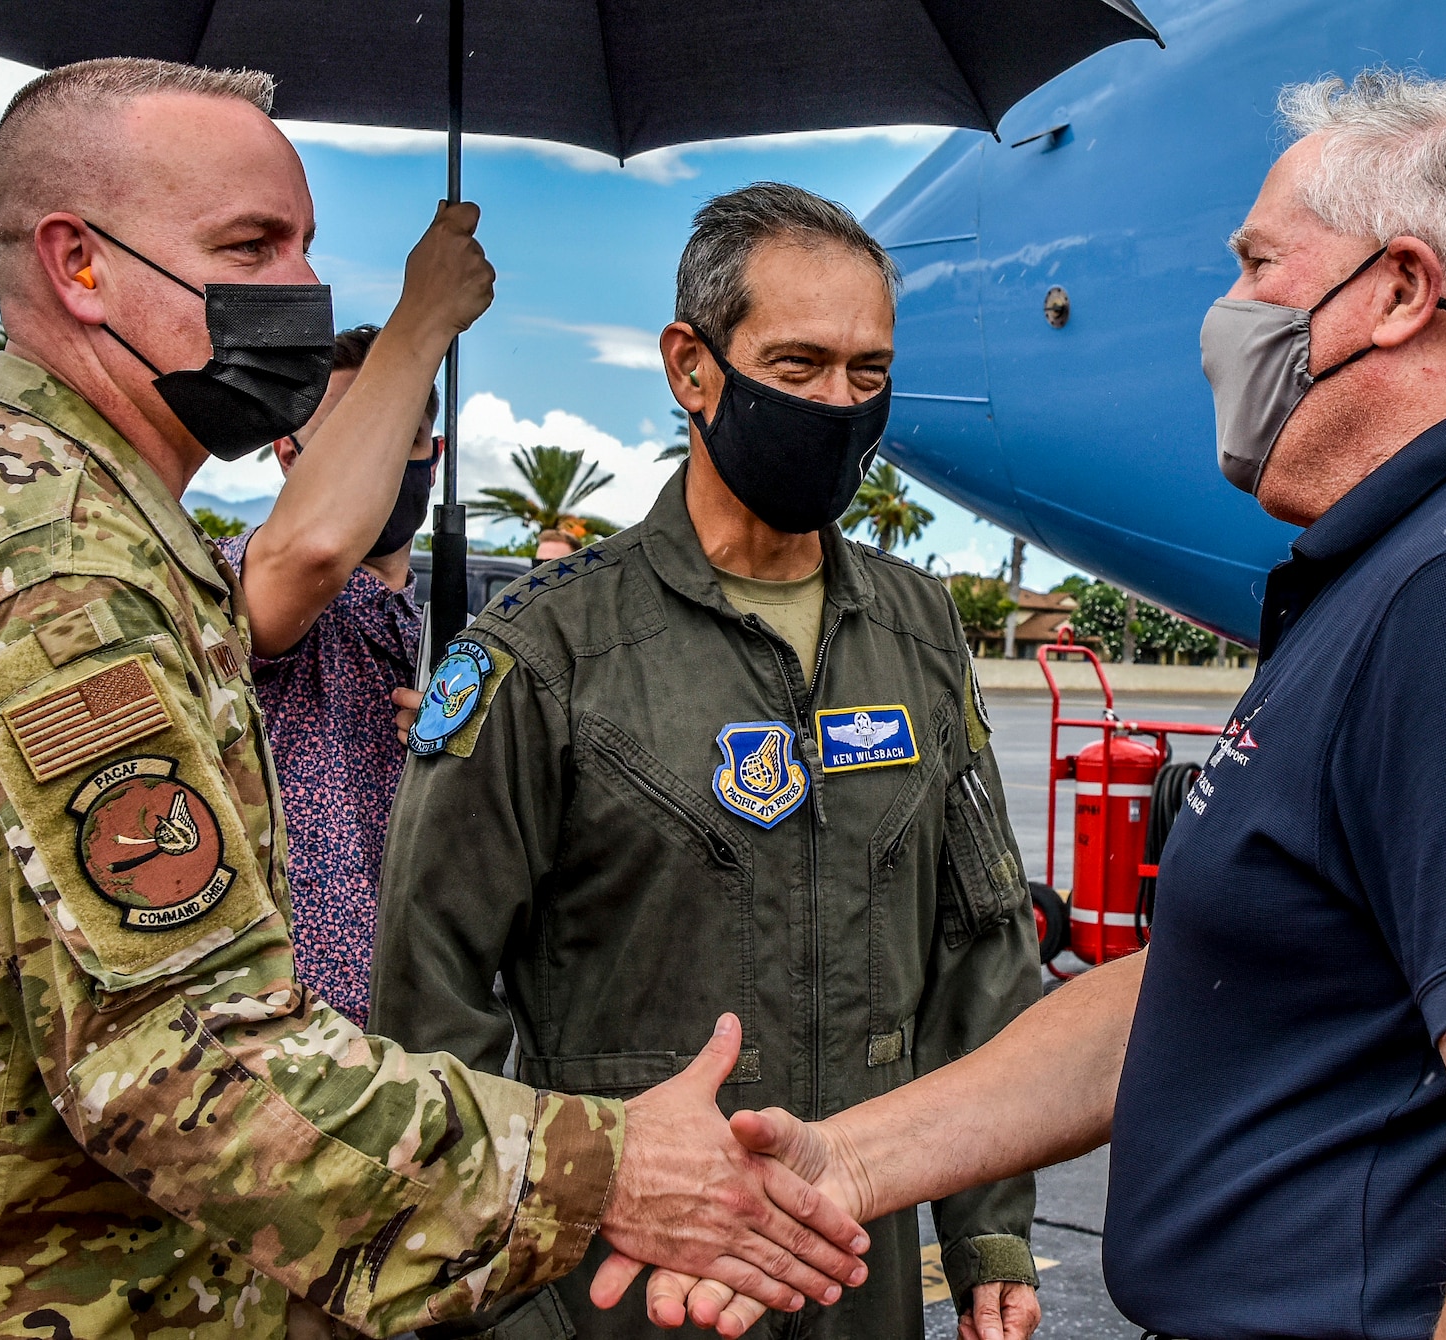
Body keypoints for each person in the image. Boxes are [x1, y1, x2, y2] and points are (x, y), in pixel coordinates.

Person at [0, 58, 874, 1340]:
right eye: (251, 245)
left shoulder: (71, 522)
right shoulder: (52, 581)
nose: (301, 291)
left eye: (303, 245)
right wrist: (611, 1165)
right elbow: (189, 1067)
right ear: (78, 265)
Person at [620, 71, 1446, 1340]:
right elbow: (1208, 982)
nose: (1226, 309)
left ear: (1397, 290)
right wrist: (843, 1164)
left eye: (1258, 262)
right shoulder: (1416, 563)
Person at [372, 182, 1041, 1340]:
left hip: (854, 1271)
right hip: (626, 1287)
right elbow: (426, 999)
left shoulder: (918, 627)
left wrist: (986, 1227)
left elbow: (976, 940)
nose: (837, 404)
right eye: (797, 367)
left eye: (866, 373)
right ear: (692, 367)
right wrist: (516, 1297)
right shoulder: (542, 651)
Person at [217, 321, 442, 1026]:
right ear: (289, 454)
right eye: (353, 434)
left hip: (413, 1038)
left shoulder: (450, 637)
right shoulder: (241, 580)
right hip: (277, 1032)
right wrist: (429, 310)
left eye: (399, 434)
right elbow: (307, 557)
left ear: (433, 456)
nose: (379, 462)